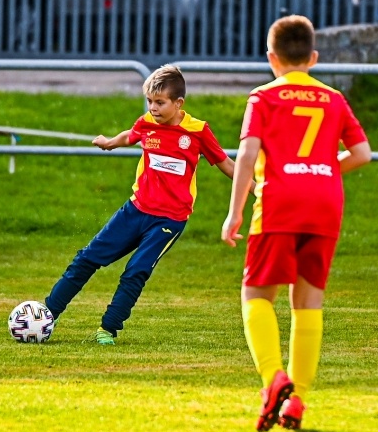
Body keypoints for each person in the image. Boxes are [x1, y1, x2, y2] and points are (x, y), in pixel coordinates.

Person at [222, 15, 372, 432]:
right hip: (325, 201)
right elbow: (362, 153)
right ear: (314, 57)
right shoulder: (334, 98)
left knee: (256, 294)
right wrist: (322, 169)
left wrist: (234, 212)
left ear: (272, 58)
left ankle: (274, 380)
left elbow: (249, 155)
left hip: (280, 201)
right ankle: (297, 400)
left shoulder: (263, 98)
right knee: (308, 301)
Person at [44, 64, 235, 345]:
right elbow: (130, 135)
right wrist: (110, 143)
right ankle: (47, 314)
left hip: (169, 221)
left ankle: (108, 329)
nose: (153, 108)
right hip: (136, 209)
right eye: (150, 101)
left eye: (160, 102)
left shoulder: (197, 131)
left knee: (136, 270)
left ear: (178, 103)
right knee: (86, 258)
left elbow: (226, 164)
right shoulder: (147, 123)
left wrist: (258, 189)